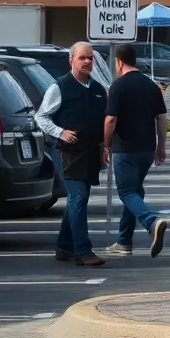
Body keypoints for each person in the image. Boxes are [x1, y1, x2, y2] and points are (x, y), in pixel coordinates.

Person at [33, 42, 108, 267]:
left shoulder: (97, 89)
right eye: (82, 58)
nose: (87, 62)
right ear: (71, 60)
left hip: (91, 152)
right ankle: (82, 251)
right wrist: (61, 132)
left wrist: (105, 145)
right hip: (68, 152)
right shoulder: (60, 87)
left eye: (90, 58)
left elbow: (102, 120)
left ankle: (63, 246)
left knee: (78, 199)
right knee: (78, 198)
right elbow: (42, 117)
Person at [102, 45, 170, 258]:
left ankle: (151, 222)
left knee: (126, 192)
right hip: (146, 149)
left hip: (125, 149)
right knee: (134, 192)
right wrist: (161, 146)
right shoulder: (151, 86)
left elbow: (110, 119)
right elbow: (161, 118)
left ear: (119, 62)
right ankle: (124, 241)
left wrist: (105, 145)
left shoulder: (118, 86)